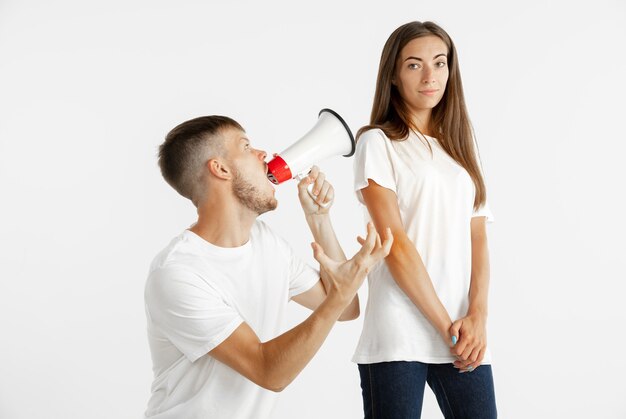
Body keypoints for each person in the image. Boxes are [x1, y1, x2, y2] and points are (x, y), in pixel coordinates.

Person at [144, 115, 392, 419]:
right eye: (246, 146)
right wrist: (341, 293)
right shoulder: (177, 274)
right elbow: (268, 371)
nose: (263, 154)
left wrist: (318, 220)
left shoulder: (267, 243)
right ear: (220, 168)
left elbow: (345, 309)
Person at [352, 21, 498, 418]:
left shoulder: (461, 148)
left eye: (440, 62)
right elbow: (394, 241)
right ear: (394, 77)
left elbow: (478, 238)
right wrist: (446, 325)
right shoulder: (378, 143)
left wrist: (478, 318)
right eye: (414, 65)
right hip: (400, 331)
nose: (431, 76)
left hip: (464, 333)